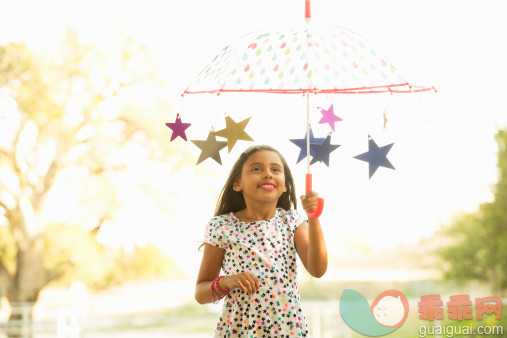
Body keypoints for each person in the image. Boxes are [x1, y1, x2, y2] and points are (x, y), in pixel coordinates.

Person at [195, 145, 328, 337]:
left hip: (287, 331)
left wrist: (314, 217)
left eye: (275, 169)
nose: (267, 174)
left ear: (284, 186)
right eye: (257, 169)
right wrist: (225, 282)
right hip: (239, 331)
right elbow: (201, 293)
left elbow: (318, 269)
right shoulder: (221, 226)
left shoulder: (292, 222)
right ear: (237, 184)